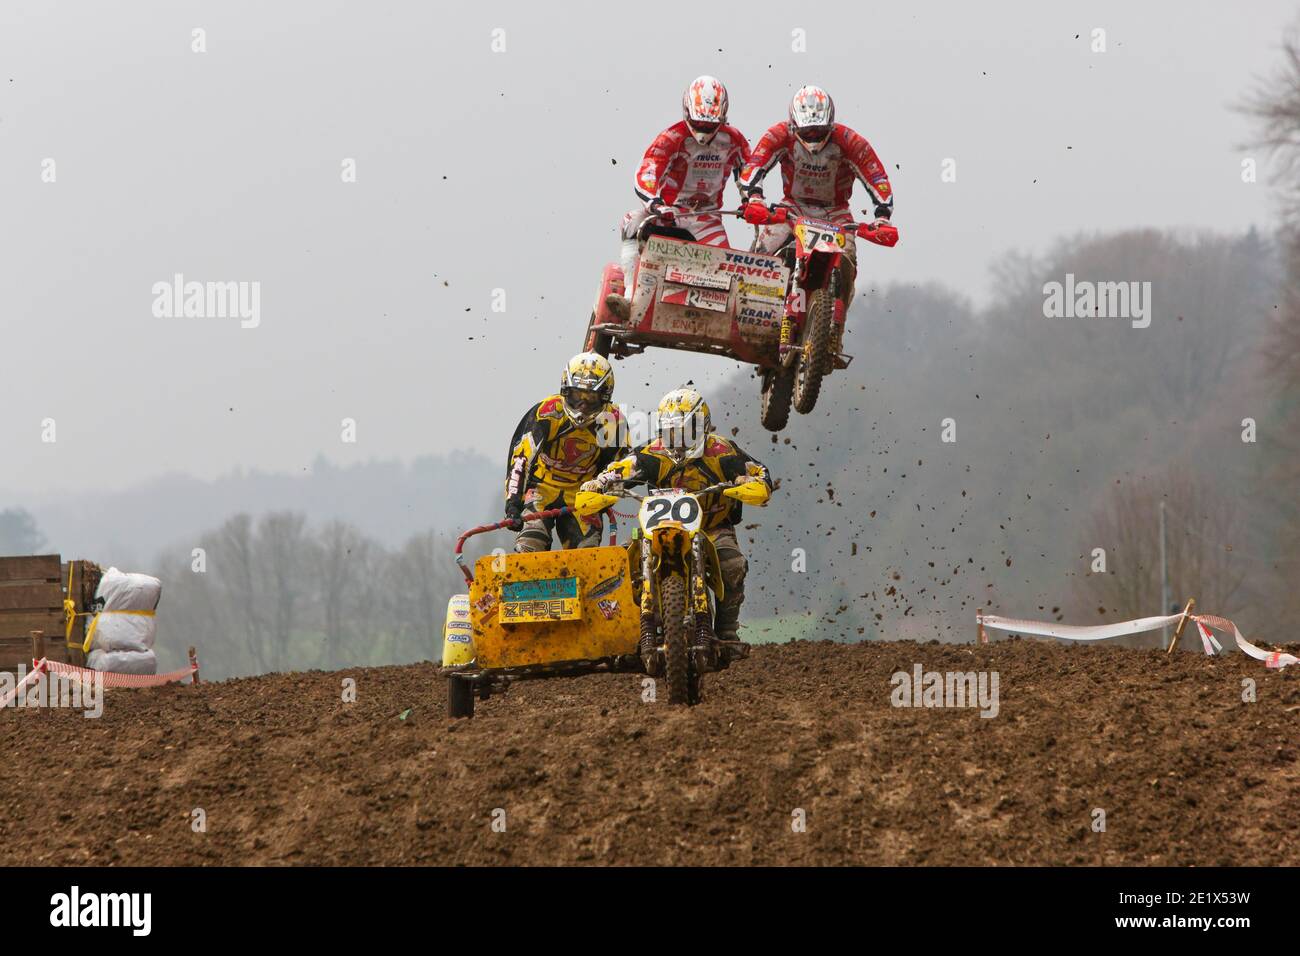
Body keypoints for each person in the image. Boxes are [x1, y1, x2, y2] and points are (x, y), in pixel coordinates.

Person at [583, 387, 772, 651]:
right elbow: (622, 468)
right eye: (672, 432)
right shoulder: (652, 453)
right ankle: (624, 628)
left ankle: (727, 629)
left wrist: (748, 481)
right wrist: (600, 483)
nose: (680, 439)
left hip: (713, 528)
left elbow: (758, 471)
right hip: (660, 528)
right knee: (623, 563)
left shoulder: (722, 451)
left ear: (703, 428)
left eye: (687, 431)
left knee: (732, 564)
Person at [739, 84, 894, 314]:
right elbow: (754, 167)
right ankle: (745, 309)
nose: (813, 137)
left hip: (836, 213)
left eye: (819, 131)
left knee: (846, 264)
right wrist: (755, 199)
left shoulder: (849, 141)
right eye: (807, 132)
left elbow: (877, 177)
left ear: (830, 125)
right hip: (793, 207)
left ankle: (834, 327)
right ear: (794, 125)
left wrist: (882, 217)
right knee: (762, 251)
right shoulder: (780, 135)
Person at [605, 76, 750, 320]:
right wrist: (655, 204)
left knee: (728, 270)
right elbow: (647, 172)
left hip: (707, 219)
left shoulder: (734, 140)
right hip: (669, 213)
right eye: (698, 123)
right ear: (686, 112)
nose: (703, 130)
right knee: (631, 221)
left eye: (710, 124)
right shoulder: (672, 137)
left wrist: (750, 201)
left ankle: (715, 316)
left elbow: (749, 172)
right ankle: (629, 297)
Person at [504, 352, 626, 552]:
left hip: (582, 494)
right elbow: (521, 459)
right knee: (529, 545)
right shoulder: (547, 412)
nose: (583, 406)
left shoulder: (615, 422)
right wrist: (512, 505)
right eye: (577, 396)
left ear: (605, 396)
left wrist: (602, 496)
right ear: (565, 390)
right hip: (541, 489)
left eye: (591, 397)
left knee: (587, 554)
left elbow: (618, 468)